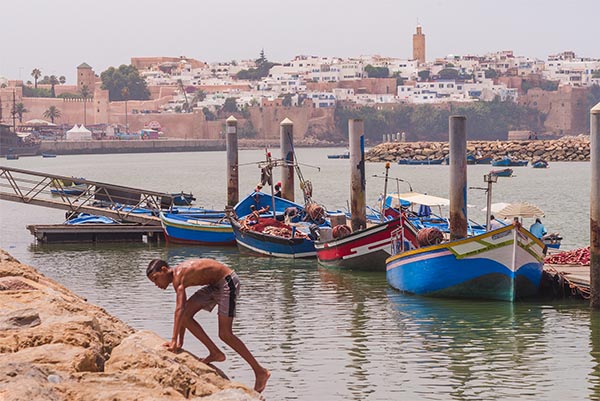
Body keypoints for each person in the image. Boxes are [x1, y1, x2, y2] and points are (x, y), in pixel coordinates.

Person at [146, 258, 270, 393]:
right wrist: (179, 342)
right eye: (153, 282)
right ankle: (215, 353)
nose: (156, 284)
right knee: (186, 316)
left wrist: (174, 341)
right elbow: (182, 313)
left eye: (156, 278)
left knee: (225, 334)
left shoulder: (178, 276)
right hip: (214, 285)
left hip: (228, 282)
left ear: (164, 270)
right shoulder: (177, 278)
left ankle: (260, 371)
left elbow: (179, 309)